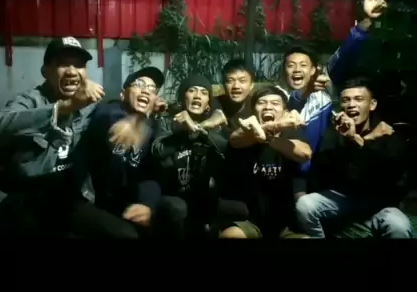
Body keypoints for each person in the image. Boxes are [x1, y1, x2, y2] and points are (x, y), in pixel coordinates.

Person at [0, 36, 105, 236]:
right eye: (63, 64)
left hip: (67, 197)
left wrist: (132, 121)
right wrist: (64, 108)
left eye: (79, 65)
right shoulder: (32, 100)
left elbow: (112, 118)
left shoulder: (89, 106)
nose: (72, 71)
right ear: (45, 72)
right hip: (23, 199)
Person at [282, 0, 395, 174]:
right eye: (291, 65)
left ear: (314, 70)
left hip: (322, 172)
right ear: (283, 69)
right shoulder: (276, 97)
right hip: (286, 173)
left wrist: (367, 20)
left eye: (303, 65)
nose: (297, 70)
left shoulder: (325, 88)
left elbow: (346, 52)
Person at [295, 78, 413, 239]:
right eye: (346, 100)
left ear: (372, 104)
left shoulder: (386, 133)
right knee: (305, 205)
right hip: (342, 198)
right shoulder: (333, 133)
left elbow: (391, 174)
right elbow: (322, 171)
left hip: (379, 202)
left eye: (358, 99)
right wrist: (353, 139)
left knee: (400, 226)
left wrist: (362, 142)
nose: (351, 105)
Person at [70, 67, 166, 240]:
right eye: (139, 84)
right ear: (123, 94)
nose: (146, 90)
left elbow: (150, 173)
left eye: (152, 89)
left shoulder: (151, 128)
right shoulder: (107, 112)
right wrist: (132, 121)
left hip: (124, 204)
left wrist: (147, 204)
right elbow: (106, 118)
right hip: (89, 200)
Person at [151, 73, 247, 238]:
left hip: (204, 196)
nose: (197, 96)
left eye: (204, 93)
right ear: (183, 98)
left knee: (241, 210)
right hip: (172, 195)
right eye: (192, 91)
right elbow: (157, 150)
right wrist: (181, 131)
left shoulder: (215, 124)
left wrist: (202, 127)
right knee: (179, 208)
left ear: (208, 103)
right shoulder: (167, 122)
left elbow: (226, 150)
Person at [219, 86, 312, 239]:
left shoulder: (291, 132)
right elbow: (235, 140)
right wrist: (273, 126)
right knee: (231, 236)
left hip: (286, 224)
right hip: (250, 221)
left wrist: (269, 138)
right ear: (253, 111)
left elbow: (305, 153)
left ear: (284, 111)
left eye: (275, 103)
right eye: (261, 103)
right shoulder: (243, 128)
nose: (268, 107)